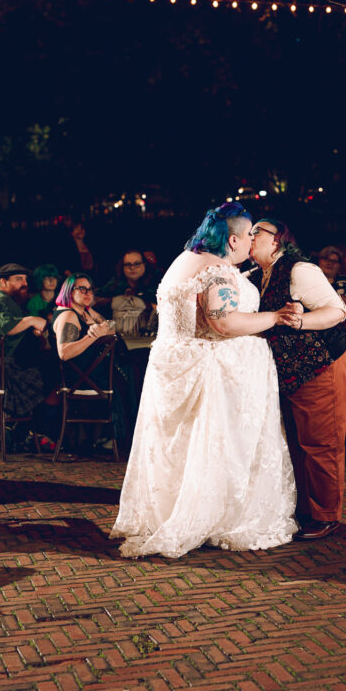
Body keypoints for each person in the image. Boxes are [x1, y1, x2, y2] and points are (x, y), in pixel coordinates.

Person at [110, 203, 299, 559]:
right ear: (232, 240)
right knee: (214, 445)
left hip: (171, 365)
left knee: (180, 447)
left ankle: (171, 511)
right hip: (208, 372)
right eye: (248, 236)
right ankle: (216, 516)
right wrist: (273, 317)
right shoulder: (217, 270)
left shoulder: (184, 260)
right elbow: (223, 323)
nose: (251, 241)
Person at [250, 218, 346, 541]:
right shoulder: (259, 275)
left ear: (277, 240)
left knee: (322, 443)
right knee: (297, 442)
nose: (250, 237)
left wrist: (301, 321)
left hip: (320, 365)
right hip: (290, 372)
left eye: (257, 233)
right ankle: (306, 509)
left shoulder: (299, 270)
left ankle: (326, 515)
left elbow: (337, 310)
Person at [51, 273, 139, 451]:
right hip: (81, 376)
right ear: (69, 291)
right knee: (132, 371)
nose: (88, 293)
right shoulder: (68, 316)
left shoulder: (84, 311)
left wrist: (99, 326)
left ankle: (125, 435)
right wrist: (93, 336)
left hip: (93, 371)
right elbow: (64, 352)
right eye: (82, 289)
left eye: (90, 289)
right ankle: (121, 437)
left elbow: (111, 327)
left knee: (136, 365)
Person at [0, 263, 59, 423]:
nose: (25, 284)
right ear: (3, 282)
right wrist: (31, 320)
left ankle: (23, 429)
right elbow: (1, 326)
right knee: (56, 373)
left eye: (25, 279)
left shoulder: (6, 301)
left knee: (50, 368)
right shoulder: (0, 300)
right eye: (19, 279)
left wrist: (30, 331)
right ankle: (35, 432)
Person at [97, 249, 159, 335]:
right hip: (117, 338)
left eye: (137, 264)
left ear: (144, 264)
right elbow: (98, 299)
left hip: (144, 338)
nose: (132, 268)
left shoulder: (155, 285)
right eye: (127, 264)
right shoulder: (115, 285)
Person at [317, 246, 346, 320]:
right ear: (319, 261)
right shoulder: (312, 279)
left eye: (334, 261)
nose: (329, 263)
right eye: (326, 259)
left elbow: (345, 303)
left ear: (339, 265)